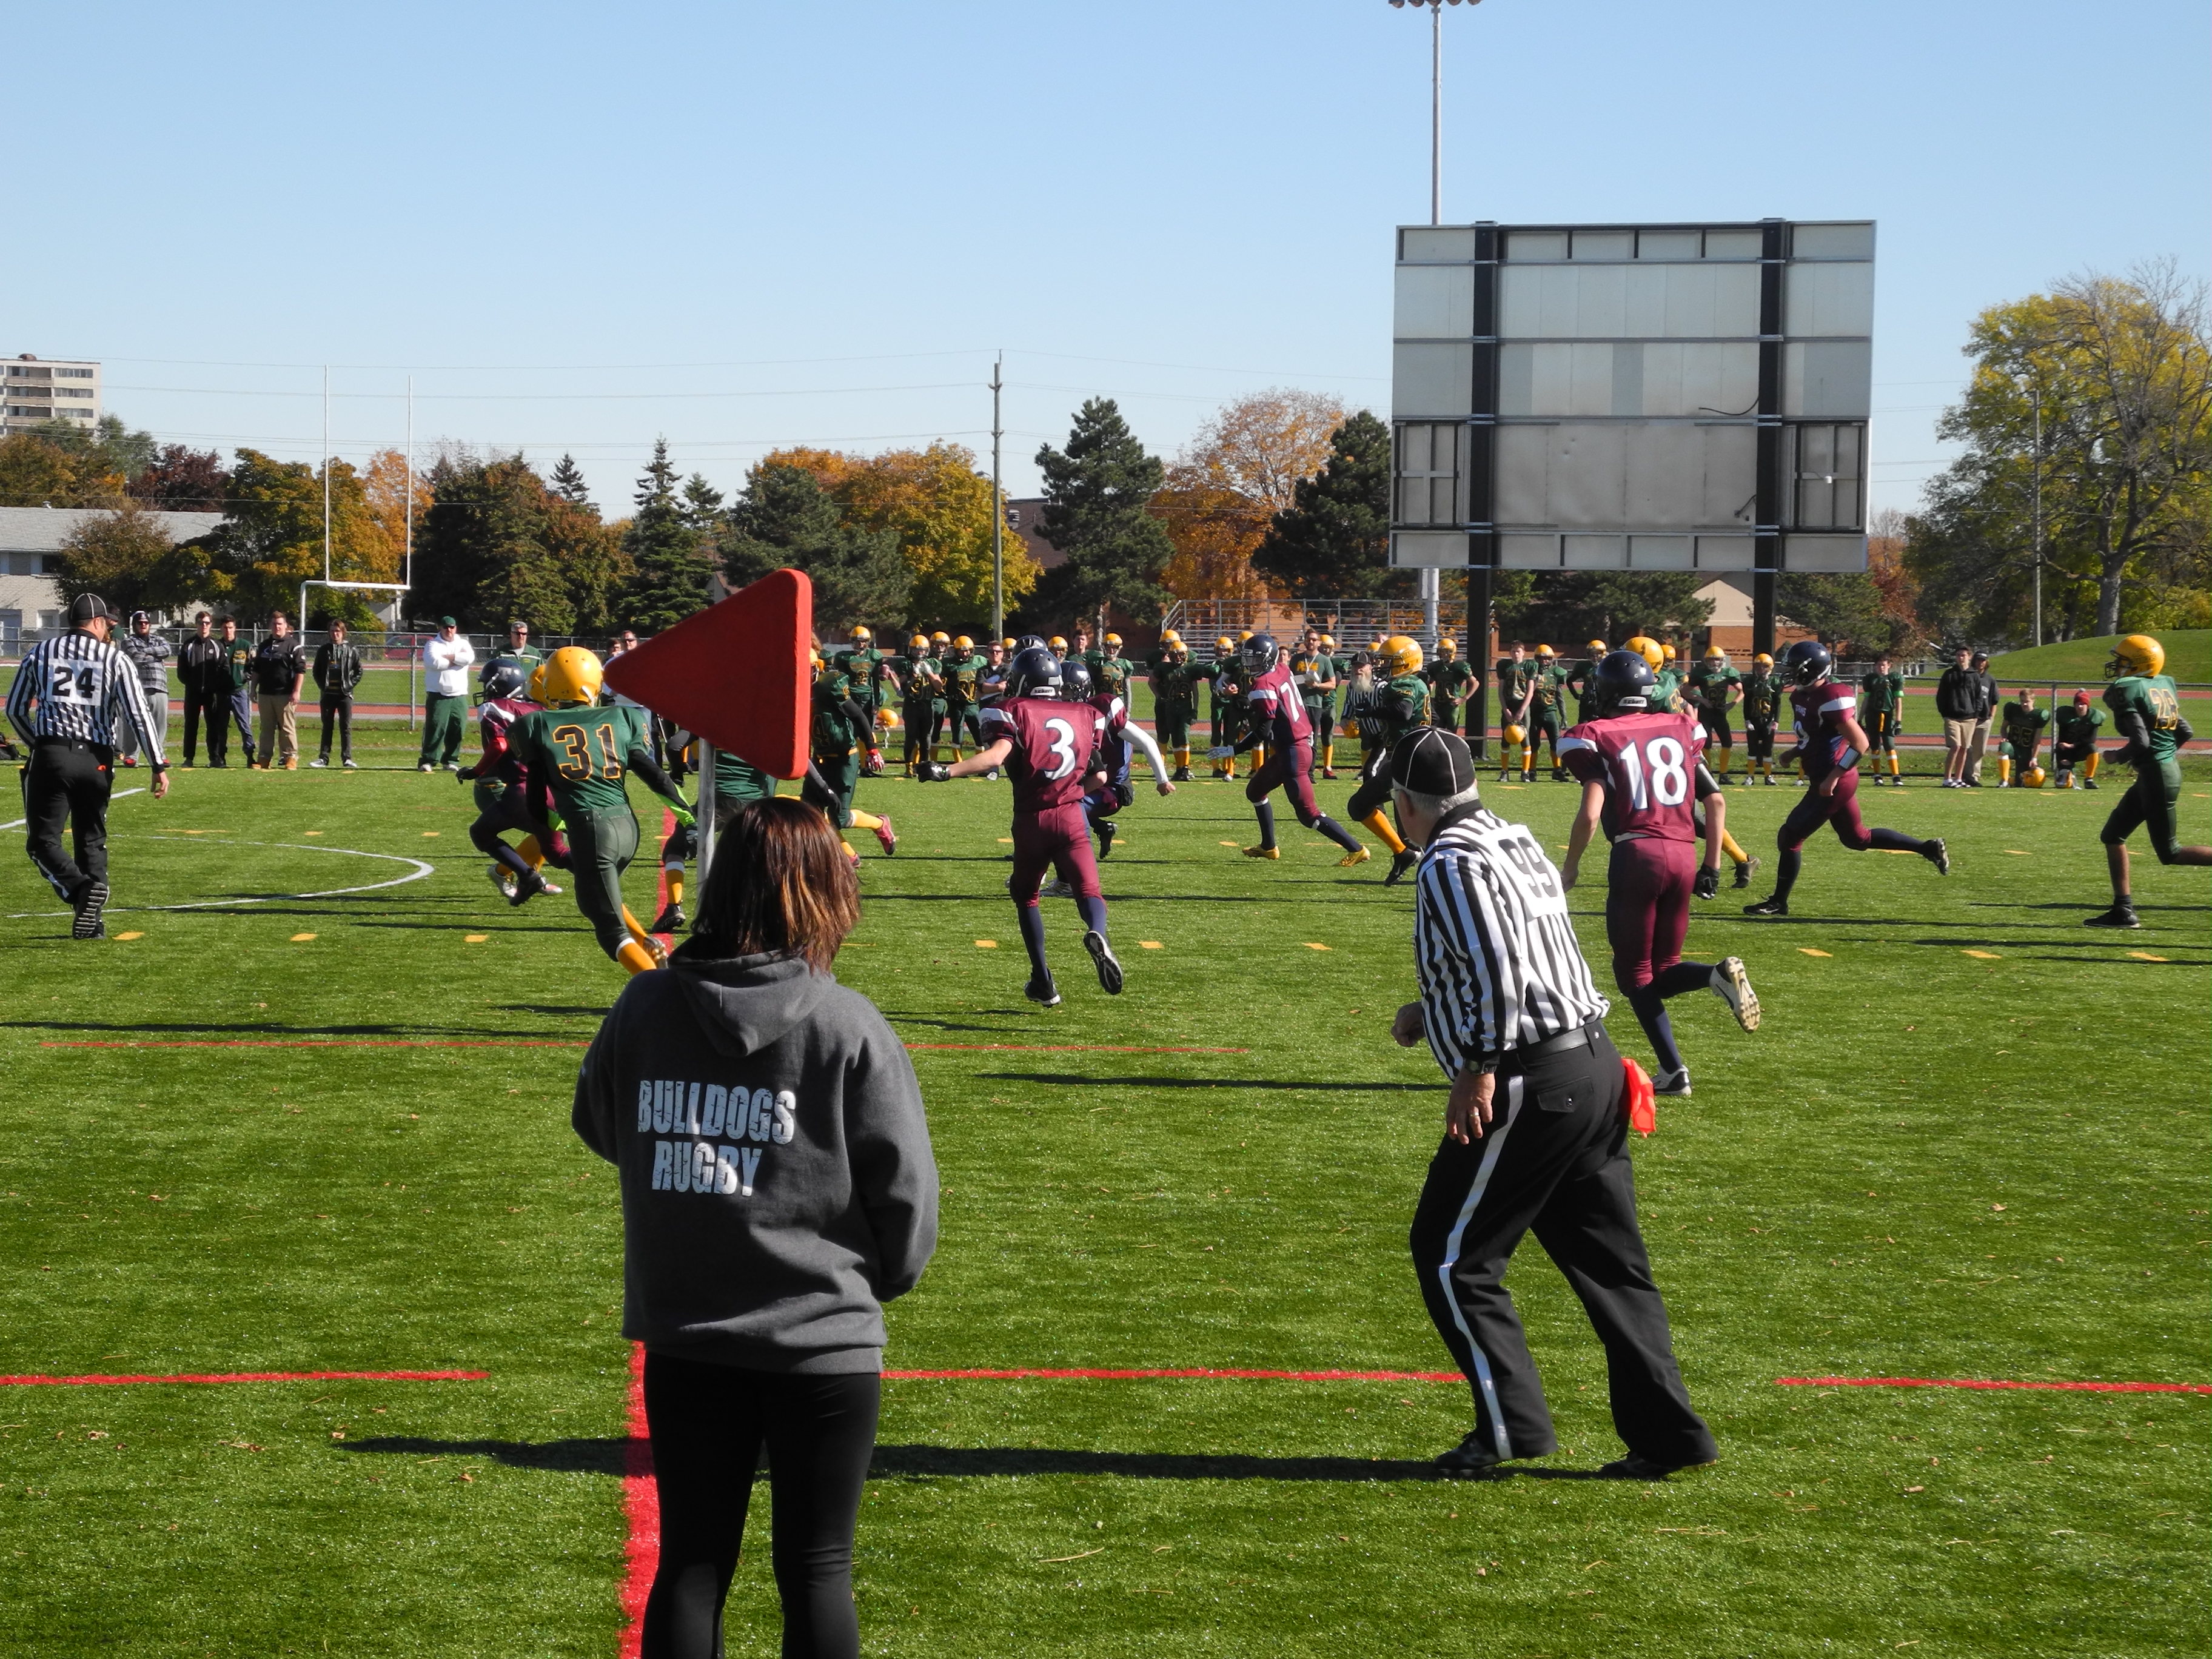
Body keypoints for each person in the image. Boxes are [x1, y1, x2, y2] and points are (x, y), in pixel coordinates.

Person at [571, 796, 937, 1659]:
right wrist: (876, 1276)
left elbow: (600, 1124)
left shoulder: (645, 1006)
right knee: (818, 1570)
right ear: (822, 894)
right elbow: (906, 1199)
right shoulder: (848, 1024)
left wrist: (689, 1167)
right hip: (822, 1335)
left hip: (688, 1327)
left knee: (693, 1566)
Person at [1386, 726, 1717, 1481]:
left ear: (1408, 803)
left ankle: (1512, 1427)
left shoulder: (1448, 859)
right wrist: (1431, 1010)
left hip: (1533, 1078)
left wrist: (1478, 1067)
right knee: (1612, 1267)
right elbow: (1532, 953)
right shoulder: (1513, 836)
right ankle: (1670, 1435)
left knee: (1452, 1255)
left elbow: (1500, 965)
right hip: (1593, 1061)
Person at [1558, 651, 1759, 1098]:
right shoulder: (1682, 727)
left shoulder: (1592, 734)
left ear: (1605, 692)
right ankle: (1713, 979)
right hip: (1685, 853)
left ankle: (1674, 1069)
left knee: (1633, 974)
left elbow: (1591, 813)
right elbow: (1716, 801)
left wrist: (1570, 868)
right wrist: (1713, 865)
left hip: (1637, 856)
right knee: (1663, 970)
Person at [916, 645, 1122, 1006]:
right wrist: (1072, 793)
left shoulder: (1012, 709)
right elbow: (1100, 776)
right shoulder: (1088, 713)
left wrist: (946, 771)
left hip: (1032, 819)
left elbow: (995, 757)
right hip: (1072, 816)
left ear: (1022, 681)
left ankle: (1042, 979)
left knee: (1026, 895)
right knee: (1089, 890)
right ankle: (1098, 932)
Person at [508, 646, 695, 975]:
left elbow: (536, 802)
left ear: (550, 683)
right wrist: (687, 816)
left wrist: (559, 823)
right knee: (603, 900)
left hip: (592, 831)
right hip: (627, 826)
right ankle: (648, 945)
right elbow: (655, 776)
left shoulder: (535, 724)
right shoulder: (623, 717)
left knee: (609, 930)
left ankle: (664, 994)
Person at [5, 592, 172, 937]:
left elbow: (15, 709)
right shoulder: (115, 658)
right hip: (97, 758)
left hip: (52, 754)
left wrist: (39, 745)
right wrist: (157, 763)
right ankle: (93, 923)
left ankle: (81, 889)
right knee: (92, 841)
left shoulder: (40, 652)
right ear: (97, 622)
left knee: (43, 843)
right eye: (107, 624)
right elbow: (138, 714)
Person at [1744, 640, 1949, 917]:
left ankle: (1779, 902)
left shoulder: (1830, 698)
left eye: (1795, 668)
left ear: (1811, 670)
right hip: (1826, 777)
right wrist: (1794, 752)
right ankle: (1927, 848)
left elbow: (1860, 744)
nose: (1789, 673)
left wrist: (1833, 778)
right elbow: (1817, 737)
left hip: (1835, 780)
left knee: (1791, 836)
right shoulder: (1802, 696)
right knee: (1857, 838)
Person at [2083, 634, 2211, 929]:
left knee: (2170, 852)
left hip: (2157, 776)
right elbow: (2185, 731)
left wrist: (2118, 756)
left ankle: (2123, 910)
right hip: (2158, 772)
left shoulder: (2129, 689)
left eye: (2122, 661)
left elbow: (2141, 741)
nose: (2117, 666)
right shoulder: (2159, 685)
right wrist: (2159, 758)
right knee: (2113, 835)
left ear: (2138, 664)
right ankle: (2123, 910)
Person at [1207, 632, 1362, 865]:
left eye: (1255, 660)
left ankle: (1356, 849)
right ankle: (1269, 847)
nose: (1250, 664)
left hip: (1294, 751)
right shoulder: (1282, 669)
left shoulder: (1262, 685)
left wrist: (1233, 750)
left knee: (1308, 814)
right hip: (1292, 746)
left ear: (1268, 659)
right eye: (1248, 658)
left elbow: (1262, 731)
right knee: (1255, 791)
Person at [458, 660, 566, 906]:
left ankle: (524, 875)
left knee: (483, 833)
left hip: (519, 785)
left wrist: (475, 771)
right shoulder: (541, 710)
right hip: (550, 787)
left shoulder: (496, 707)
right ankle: (529, 875)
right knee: (554, 840)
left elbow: (499, 744)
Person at [1061, 656, 1175, 862]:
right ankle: (1101, 829)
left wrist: (1162, 780)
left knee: (1065, 811)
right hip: (1084, 782)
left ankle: (1066, 865)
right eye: (1059, 690)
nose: (1061, 696)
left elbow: (1147, 741)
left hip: (1111, 789)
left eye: (1066, 691)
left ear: (1080, 690)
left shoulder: (1102, 709)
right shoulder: (1061, 713)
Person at [1343, 635, 1428, 884]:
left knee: (1360, 806)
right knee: (1406, 822)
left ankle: (1411, 855)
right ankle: (1407, 854)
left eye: (1389, 660)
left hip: (1407, 759)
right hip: (1406, 756)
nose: (1383, 665)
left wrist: (1370, 711)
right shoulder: (1409, 682)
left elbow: (1404, 711)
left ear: (1405, 662)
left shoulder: (1406, 683)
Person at [802, 652, 896, 856]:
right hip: (819, 757)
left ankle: (879, 824)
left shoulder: (829, 686)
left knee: (840, 818)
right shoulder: (794, 690)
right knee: (810, 811)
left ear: (816, 668)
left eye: (806, 669)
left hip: (844, 757)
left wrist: (871, 748)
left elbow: (857, 715)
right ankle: (849, 856)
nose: (802, 674)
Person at [249, 611, 308, 769]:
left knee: (287, 728)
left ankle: (290, 757)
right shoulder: (264, 646)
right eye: (274, 624)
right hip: (265, 693)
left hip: (285, 694)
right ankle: (264, 758)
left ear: (286, 626)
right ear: (271, 626)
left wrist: (296, 691)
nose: (277, 627)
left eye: (280, 624)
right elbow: (257, 670)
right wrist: (253, 689)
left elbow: (301, 670)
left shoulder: (293, 646)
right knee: (266, 728)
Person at [116, 611, 172, 769]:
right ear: (134, 625)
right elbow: (135, 657)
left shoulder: (158, 639)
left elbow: (167, 650)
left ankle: (159, 755)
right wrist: (156, 656)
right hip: (137, 688)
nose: (143, 625)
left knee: (160, 724)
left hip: (159, 687)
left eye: (146, 623)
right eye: (140, 623)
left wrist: (146, 651)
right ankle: (131, 756)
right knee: (133, 722)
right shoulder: (128, 641)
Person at [418, 617, 475, 772]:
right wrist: (457, 660)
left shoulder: (463, 643)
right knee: (436, 727)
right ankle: (428, 760)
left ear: (456, 628)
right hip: (438, 694)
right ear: (440, 628)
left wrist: (448, 657)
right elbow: (435, 662)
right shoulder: (433, 644)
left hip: (459, 694)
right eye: (446, 627)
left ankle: (450, 760)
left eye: (452, 627)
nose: (449, 630)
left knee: (458, 728)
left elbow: (469, 658)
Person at [311, 619, 365, 768]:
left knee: (345, 727)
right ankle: (323, 758)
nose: (335, 634)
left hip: (345, 695)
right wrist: (323, 687)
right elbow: (316, 671)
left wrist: (349, 686)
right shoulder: (323, 650)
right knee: (327, 726)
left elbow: (359, 671)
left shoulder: (351, 650)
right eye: (332, 631)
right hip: (328, 695)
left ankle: (347, 758)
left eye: (338, 631)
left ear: (343, 632)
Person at [176, 612, 228, 768]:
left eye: (207, 623)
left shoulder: (217, 645)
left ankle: (215, 758)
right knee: (191, 725)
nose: (204, 626)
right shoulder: (188, 645)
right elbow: (182, 671)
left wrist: (216, 685)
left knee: (213, 726)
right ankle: (189, 758)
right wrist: (192, 683)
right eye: (201, 623)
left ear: (211, 625)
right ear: (197, 624)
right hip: (193, 692)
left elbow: (224, 668)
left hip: (212, 693)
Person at [1148, 631, 1201, 782]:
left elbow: (1195, 689)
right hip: (1169, 705)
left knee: (1183, 735)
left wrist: (1195, 709)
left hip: (1184, 704)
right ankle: (1175, 768)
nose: (1177, 656)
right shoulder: (1161, 665)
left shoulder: (1191, 666)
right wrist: (1159, 696)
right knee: (1170, 736)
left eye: (1171, 644)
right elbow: (1152, 681)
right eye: (1166, 645)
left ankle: (1185, 767)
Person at [1687, 645, 1741, 784]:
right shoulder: (1700, 673)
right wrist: (1702, 699)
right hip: (1706, 712)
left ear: (1722, 660)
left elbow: (1742, 690)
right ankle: (1708, 772)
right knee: (1707, 743)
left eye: (1717, 659)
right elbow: (1685, 691)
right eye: (1711, 660)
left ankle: (1724, 774)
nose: (1715, 663)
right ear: (1706, 661)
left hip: (1720, 712)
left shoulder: (1729, 673)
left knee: (1727, 742)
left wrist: (1732, 703)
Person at [1856, 652, 1905, 785]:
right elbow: (1866, 700)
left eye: (1883, 665)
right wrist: (1860, 719)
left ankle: (1896, 775)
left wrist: (1899, 721)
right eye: (1878, 665)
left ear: (1889, 665)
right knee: (1875, 745)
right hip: (1872, 715)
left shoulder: (1895, 678)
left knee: (1889, 744)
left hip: (1888, 715)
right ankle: (1877, 775)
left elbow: (1898, 701)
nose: (1881, 668)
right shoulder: (1870, 679)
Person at [1935, 647, 1980, 789]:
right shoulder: (1949, 674)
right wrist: (1945, 714)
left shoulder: (1974, 675)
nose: (1961, 658)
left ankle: (1959, 778)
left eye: (1964, 655)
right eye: (1959, 655)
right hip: (1952, 717)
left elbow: (1979, 697)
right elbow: (1941, 696)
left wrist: (1976, 714)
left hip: (1969, 718)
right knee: (1955, 746)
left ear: (1969, 657)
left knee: (1964, 748)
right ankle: (1947, 779)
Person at [220, 615, 260, 768]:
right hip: (221, 693)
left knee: (244, 725)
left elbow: (255, 665)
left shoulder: (245, 645)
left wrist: (245, 677)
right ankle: (220, 757)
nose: (228, 630)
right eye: (225, 628)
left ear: (235, 628)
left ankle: (250, 755)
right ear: (221, 629)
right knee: (220, 726)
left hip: (239, 692)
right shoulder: (217, 645)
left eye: (230, 627)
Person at [1493, 643, 1536, 783]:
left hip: (1522, 704)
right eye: (1513, 651)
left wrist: (1522, 709)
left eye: (1518, 651)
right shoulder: (1504, 666)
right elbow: (1501, 690)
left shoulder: (1529, 666)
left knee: (1525, 738)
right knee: (1506, 738)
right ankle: (1504, 771)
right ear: (1510, 653)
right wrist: (1505, 709)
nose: (1516, 654)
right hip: (1509, 704)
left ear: (1523, 652)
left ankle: (1525, 772)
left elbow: (1530, 690)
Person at [897, 635, 939, 777]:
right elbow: (904, 689)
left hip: (927, 705)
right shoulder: (905, 664)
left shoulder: (933, 663)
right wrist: (914, 676)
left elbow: (939, 687)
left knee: (926, 738)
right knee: (911, 737)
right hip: (912, 705)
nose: (920, 653)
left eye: (923, 650)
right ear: (911, 650)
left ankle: (923, 767)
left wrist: (930, 673)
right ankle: (909, 767)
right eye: (917, 650)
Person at [1526, 645, 1569, 780]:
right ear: (1536, 659)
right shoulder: (1531, 672)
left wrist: (1564, 715)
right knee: (1534, 743)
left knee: (1556, 742)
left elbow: (1560, 696)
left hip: (1551, 712)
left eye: (1548, 659)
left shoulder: (1556, 673)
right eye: (1542, 659)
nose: (1545, 662)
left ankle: (1557, 770)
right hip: (1535, 713)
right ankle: (1532, 770)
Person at [1740, 652, 1781, 785]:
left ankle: (1768, 776)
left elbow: (1778, 703)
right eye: (1758, 666)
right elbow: (1747, 702)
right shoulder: (1750, 681)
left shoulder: (1775, 682)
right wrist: (1747, 720)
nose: (1761, 669)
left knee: (1768, 750)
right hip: (1754, 719)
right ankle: (1750, 776)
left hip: (1768, 720)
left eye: (1764, 666)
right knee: (1752, 749)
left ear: (1770, 667)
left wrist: (1776, 721)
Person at [1995, 688, 2049, 787]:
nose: (2024, 704)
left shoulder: (2038, 715)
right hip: (2013, 747)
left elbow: (2037, 740)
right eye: (2022, 701)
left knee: (2021, 783)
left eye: (2027, 701)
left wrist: (2034, 758)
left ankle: (2011, 781)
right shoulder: (2013, 710)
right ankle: (2004, 780)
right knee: (2004, 747)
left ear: (2033, 701)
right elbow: (2004, 728)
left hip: (2026, 751)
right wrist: (2005, 738)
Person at [2052, 688, 2105, 789]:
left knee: (2093, 748)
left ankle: (2089, 779)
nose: (2080, 706)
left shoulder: (2094, 717)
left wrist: (2073, 745)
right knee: (2065, 784)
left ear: (2088, 705)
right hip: (2066, 750)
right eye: (2078, 704)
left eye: (2083, 704)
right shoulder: (2067, 716)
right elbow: (2062, 739)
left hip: (2081, 748)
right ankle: (2063, 772)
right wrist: (2065, 756)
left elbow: (2090, 740)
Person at [943, 635, 984, 760]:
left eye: (967, 651)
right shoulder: (948, 664)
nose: (965, 654)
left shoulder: (979, 661)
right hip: (956, 704)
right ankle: (959, 763)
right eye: (962, 651)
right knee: (957, 735)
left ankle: (980, 764)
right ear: (956, 651)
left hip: (973, 704)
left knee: (979, 735)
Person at [1207, 637, 1242, 779]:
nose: (1222, 653)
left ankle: (1229, 768)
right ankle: (1216, 768)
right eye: (1220, 650)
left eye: (1226, 650)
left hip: (1231, 703)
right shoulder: (1214, 666)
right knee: (1216, 736)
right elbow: (1212, 677)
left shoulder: (1235, 664)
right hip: (1218, 703)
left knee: (1230, 737)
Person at [1426, 637, 1475, 739]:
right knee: (1437, 733)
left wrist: (1464, 698)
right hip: (1438, 704)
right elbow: (1430, 682)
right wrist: (1429, 696)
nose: (1444, 654)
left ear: (1452, 652)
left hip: (1451, 706)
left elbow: (1475, 683)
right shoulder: (1436, 667)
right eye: (1442, 651)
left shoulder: (1459, 666)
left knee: (1452, 735)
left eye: (1446, 652)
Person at [481, 620, 543, 694]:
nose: (521, 636)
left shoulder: (535, 654)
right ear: (511, 634)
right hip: (506, 696)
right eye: (518, 634)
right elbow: (490, 677)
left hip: (529, 696)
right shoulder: (501, 653)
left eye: (524, 634)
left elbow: (543, 676)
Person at [1965, 651, 1999, 785]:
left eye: (1983, 660)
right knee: (1967, 748)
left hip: (1984, 719)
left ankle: (1975, 775)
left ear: (1987, 662)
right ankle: (1967, 775)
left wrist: (1992, 717)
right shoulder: (1968, 677)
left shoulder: (1990, 680)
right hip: (1969, 718)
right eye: (1978, 660)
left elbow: (1994, 701)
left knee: (1980, 750)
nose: (1980, 663)